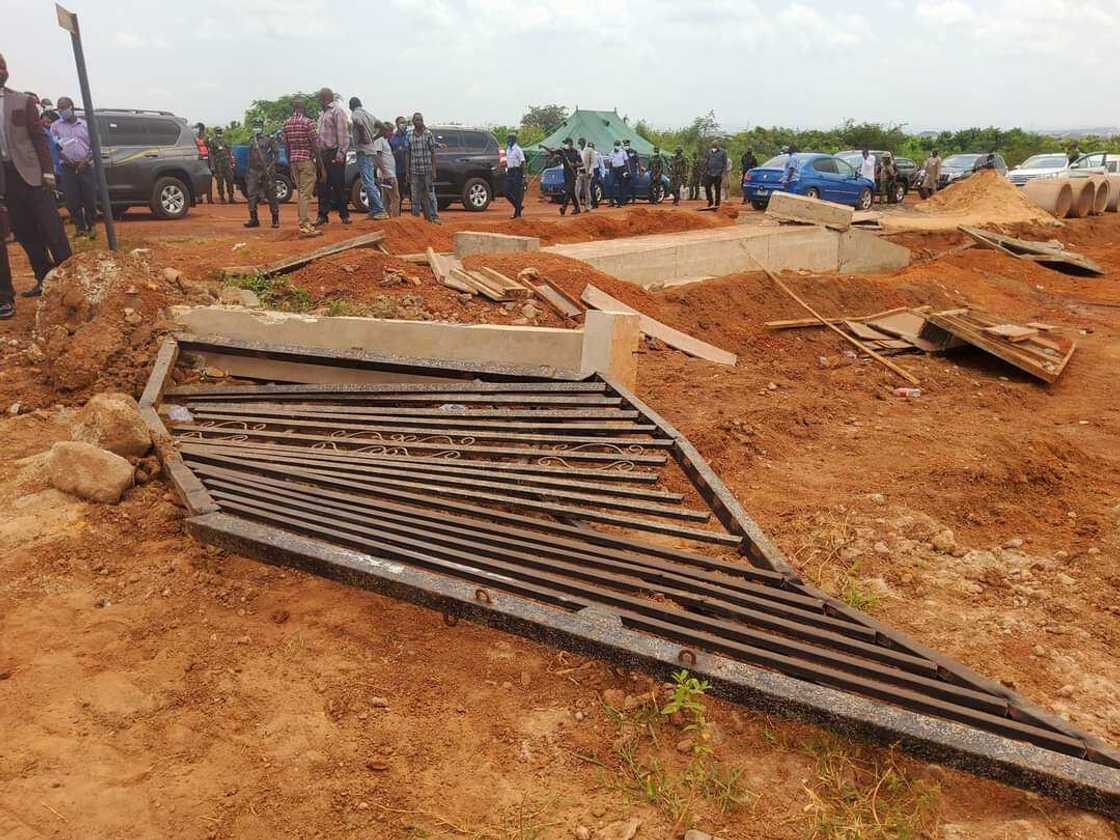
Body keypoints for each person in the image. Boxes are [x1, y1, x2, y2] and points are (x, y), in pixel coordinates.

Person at [0, 55, 71, 306]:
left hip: (33, 175)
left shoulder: (23, 100)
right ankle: (43, 279)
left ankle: (69, 282)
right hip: (6, 180)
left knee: (52, 228)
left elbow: (39, 138)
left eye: (3, 66)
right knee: (24, 232)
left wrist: (48, 171)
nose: (2, 71)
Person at [50, 97, 98, 238]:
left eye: (63, 107)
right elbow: (54, 147)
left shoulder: (85, 125)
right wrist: (67, 160)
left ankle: (92, 226)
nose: (61, 110)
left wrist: (85, 161)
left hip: (85, 166)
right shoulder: (55, 126)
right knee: (72, 199)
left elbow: (94, 146)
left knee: (89, 197)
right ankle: (80, 228)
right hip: (67, 167)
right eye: (59, 108)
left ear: (71, 107)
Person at [281, 98, 321, 236]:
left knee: (300, 192)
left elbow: (286, 146)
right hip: (306, 161)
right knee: (305, 193)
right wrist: (321, 165)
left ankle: (302, 221)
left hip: (293, 161)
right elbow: (315, 145)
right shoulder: (308, 123)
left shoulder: (286, 124)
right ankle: (304, 223)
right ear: (303, 108)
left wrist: (289, 162)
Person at [314, 88, 351, 226]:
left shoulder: (337, 111)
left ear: (326, 97)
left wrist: (340, 154)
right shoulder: (322, 114)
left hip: (334, 152)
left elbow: (343, 135)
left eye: (320, 97)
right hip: (322, 154)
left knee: (338, 185)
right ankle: (322, 215)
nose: (318, 100)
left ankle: (344, 215)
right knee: (322, 185)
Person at [349, 96, 387, 221]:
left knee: (367, 182)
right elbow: (384, 128)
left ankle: (379, 210)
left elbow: (358, 122)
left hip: (363, 151)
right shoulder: (369, 115)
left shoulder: (355, 114)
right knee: (369, 180)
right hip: (370, 150)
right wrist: (373, 138)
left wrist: (364, 137)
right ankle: (374, 210)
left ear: (351, 106)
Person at [405, 112, 440, 224]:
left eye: (420, 119)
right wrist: (407, 172)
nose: (419, 121)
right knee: (415, 196)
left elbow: (433, 152)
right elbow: (407, 153)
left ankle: (434, 217)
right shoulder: (409, 134)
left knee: (430, 195)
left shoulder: (428, 134)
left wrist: (434, 170)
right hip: (414, 171)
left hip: (427, 171)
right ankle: (416, 219)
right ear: (413, 122)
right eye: (416, 120)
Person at [243, 120, 279, 229]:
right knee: (252, 195)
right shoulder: (251, 140)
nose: (256, 128)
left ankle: (275, 219)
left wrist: (270, 167)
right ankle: (254, 219)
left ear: (262, 127)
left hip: (267, 170)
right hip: (253, 171)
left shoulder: (269, 139)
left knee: (271, 194)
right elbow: (250, 156)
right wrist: (248, 171)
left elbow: (276, 155)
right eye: (255, 126)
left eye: (258, 126)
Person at [543, 138, 581, 216]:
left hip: (573, 174)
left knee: (568, 190)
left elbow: (581, 163)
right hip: (566, 174)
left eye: (566, 143)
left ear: (570, 143)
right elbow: (552, 152)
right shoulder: (562, 151)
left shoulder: (576, 152)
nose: (565, 144)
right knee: (571, 192)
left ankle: (563, 208)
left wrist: (574, 165)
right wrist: (543, 146)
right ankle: (577, 208)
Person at [373, 121, 400, 218]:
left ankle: (387, 218)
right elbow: (377, 157)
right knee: (395, 197)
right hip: (387, 174)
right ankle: (396, 218)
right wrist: (385, 172)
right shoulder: (379, 140)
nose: (392, 133)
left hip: (387, 173)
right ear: (384, 131)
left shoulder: (384, 141)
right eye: (390, 131)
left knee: (386, 198)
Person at [209, 127, 235, 203]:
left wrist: (231, 162)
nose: (219, 133)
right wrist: (212, 165)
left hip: (226, 163)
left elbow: (229, 152)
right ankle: (222, 197)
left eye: (220, 131)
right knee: (220, 182)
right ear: (215, 132)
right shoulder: (213, 141)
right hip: (218, 163)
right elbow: (211, 154)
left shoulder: (225, 141)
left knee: (230, 180)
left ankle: (231, 197)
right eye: (218, 131)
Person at [390, 116, 410, 215]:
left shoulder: (409, 135)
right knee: (398, 194)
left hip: (410, 169)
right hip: (396, 170)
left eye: (405, 122)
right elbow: (388, 152)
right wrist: (395, 152)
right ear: (397, 124)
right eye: (402, 122)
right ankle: (397, 214)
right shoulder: (392, 138)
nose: (404, 124)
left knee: (413, 194)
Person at [504, 131, 526, 219]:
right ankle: (518, 206)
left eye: (509, 139)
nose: (508, 140)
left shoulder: (518, 150)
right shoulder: (508, 149)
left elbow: (523, 163)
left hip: (517, 172)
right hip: (510, 171)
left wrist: (524, 176)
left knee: (517, 193)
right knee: (506, 191)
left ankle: (518, 213)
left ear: (513, 140)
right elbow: (507, 161)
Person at [704, 141, 727, 208]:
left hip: (718, 173)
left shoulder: (723, 152)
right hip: (709, 173)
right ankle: (710, 201)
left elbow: (724, 163)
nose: (714, 146)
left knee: (717, 189)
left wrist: (723, 173)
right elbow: (707, 161)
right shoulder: (709, 152)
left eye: (715, 145)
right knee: (707, 187)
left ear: (718, 145)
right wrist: (706, 170)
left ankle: (717, 204)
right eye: (713, 145)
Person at [194, 123, 213, 204]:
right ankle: (199, 197)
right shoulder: (194, 138)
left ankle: (209, 198)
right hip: (199, 159)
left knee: (208, 178)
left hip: (206, 159)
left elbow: (210, 149)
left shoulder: (207, 138)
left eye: (198, 128)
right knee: (199, 177)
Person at [576, 137, 594, 212]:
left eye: (581, 142)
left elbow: (593, 162)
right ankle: (577, 206)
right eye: (579, 143)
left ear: (584, 142)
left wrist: (590, 171)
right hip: (579, 172)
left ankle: (588, 206)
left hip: (587, 173)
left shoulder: (590, 150)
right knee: (577, 189)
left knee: (586, 190)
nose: (580, 144)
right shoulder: (578, 151)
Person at [608, 140, 627, 207]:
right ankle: (611, 202)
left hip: (621, 169)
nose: (617, 147)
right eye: (616, 145)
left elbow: (626, 162)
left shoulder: (623, 152)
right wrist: (610, 171)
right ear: (614, 145)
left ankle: (620, 203)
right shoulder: (611, 152)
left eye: (618, 145)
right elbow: (610, 163)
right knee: (610, 185)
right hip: (613, 170)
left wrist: (625, 171)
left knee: (621, 186)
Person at [623, 139, 639, 205]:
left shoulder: (633, 152)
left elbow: (637, 161)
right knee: (624, 187)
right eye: (625, 145)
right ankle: (624, 201)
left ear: (629, 145)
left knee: (633, 186)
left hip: (633, 172)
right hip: (624, 172)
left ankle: (633, 201)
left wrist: (640, 170)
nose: (626, 146)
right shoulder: (621, 152)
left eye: (627, 145)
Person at [590, 142, 604, 209]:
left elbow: (601, 165)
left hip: (595, 171)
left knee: (592, 187)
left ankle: (594, 203)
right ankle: (594, 203)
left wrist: (602, 175)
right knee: (589, 188)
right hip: (589, 171)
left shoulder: (597, 154)